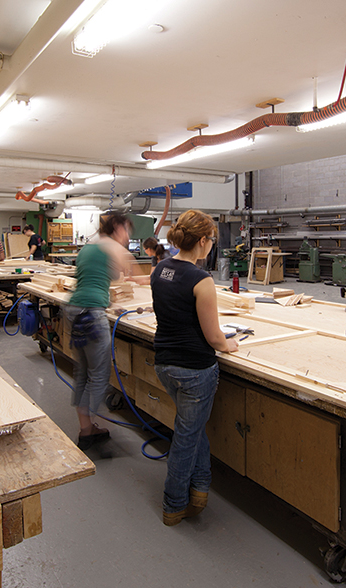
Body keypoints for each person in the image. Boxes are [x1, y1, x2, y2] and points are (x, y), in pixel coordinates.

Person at [151, 210, 238, 526]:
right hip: (194, 370)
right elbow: (214, 337)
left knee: (192, 427)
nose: (212, 245)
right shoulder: (202, 281)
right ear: (202, 241)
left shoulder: (160, 270)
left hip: (165, 364)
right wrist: (230, 344)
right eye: (212, 240)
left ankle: (200, 489)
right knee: (186, 438)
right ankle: (174, 504)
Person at [65, 214, 150, 450]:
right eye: (127, 231)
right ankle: (95, 426)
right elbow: (138, 277)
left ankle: (87, 429)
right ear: (118, 227)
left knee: (83, 372)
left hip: (73, 309)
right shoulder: (115, 248)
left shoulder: (88, 247)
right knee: (100, 375)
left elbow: (91, 279)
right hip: (92, 315)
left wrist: (110, 303)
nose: (128, 237)